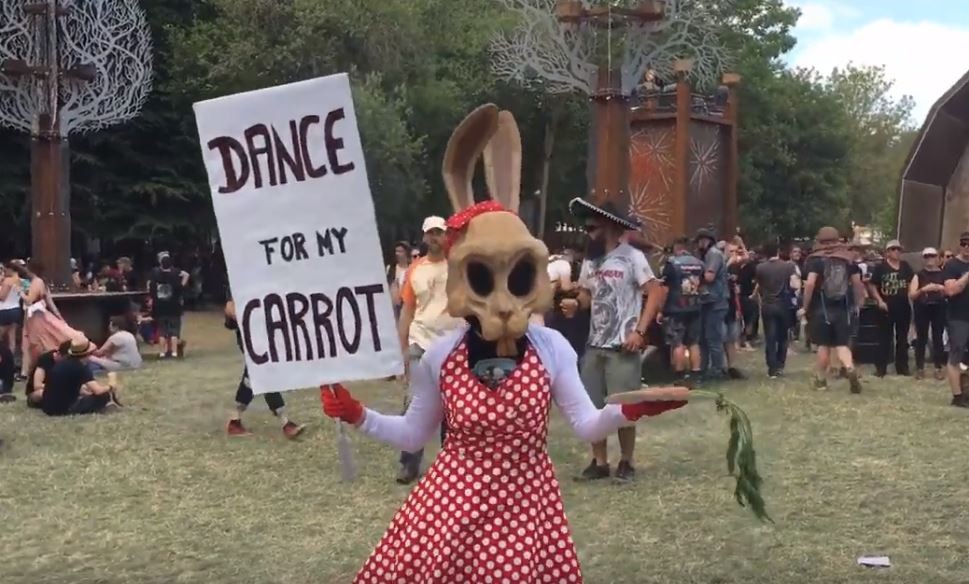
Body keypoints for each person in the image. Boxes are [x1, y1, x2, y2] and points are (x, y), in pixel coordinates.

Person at [320, 109, 685, 582]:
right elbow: (414, 434)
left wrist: (632, 410)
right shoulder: (441, 356)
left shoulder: (551, 347)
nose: (505, 301)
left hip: (526, 508)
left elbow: (585, 422)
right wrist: (358, 415)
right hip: (451, 508)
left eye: (518, 276)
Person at [567, 197, 660, 482]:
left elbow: (655, 292)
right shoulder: (590, 261)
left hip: (623, 346)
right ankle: (599, 462)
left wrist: (640, 331)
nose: (587, 229)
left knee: (624, 407)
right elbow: (586, 295)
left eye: (592, 224)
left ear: (609, 226)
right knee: (593, 408)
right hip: (594, 345)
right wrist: (575, 304)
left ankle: (627, 461)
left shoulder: (632, 257)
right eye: (586, 225)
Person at [394, 215, 465, 484]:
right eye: (430, 233)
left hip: (454, 345)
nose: (434, 237)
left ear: (447, 235)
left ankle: (453, 465)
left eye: (439, 232)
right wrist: (402, 349)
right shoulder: (415, 270)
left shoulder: (459, 266)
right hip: (420, 344)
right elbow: (407, 311)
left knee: (454, 409)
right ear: (424, 237)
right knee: (414, 406)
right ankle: (408, 463)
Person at [224, 298, 305, 438]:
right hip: (251, 337)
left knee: (255, 377)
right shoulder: (242, 281)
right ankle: (285, 423)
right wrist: (247, 319)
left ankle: (235, 420)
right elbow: (230, 308)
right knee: (264, 373)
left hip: (264, 335)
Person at [801, 227, 863, 393]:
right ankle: (849, 367)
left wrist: (804, 306)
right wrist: (859, 302)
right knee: (842, 344)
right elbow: (857, 283)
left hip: (821, 309)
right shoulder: (848, 259)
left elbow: (810, 284)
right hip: (843, 308)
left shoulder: (815, 260)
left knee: (824, 346)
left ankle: (821, 381)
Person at [21, 258, 81, 380]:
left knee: (36, 343)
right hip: (38, 316)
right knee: (37, 342)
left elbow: (29, 300)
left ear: (31, 269)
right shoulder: (41, 282)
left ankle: (34, 370)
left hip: (36, 318)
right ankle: (29, 371)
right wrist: (59, 317)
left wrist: (20, 292)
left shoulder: (36, 282)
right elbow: (50, 302)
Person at [656, 236, 704, 385]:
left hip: (675, 308)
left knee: (678, 343)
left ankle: (679, 374)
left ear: (677, 247)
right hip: (695, 306)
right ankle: (696, 373)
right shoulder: (699, 263)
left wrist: (660, 310)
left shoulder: (672, 264)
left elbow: (664, 288)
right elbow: (702, 285)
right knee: (694, 342)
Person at [40, 336, 122, 416]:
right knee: (104, 396)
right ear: (87, 354)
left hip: (48, 408)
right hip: (65, 409)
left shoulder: (62, 363)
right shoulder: (81, 367)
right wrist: (111, 386)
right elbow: (98, 391)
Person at [868, 240, 914, 377]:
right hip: (886, 306)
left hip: (903, 306)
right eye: (893, 249)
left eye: (899, 249)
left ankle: (902, 367)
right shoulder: (880, 267)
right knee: (884, 338)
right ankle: (881, 368)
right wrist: (879, 300)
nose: (897, 252)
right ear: (887, 252)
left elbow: (912, 280)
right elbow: (872, 285)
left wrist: (911, 294)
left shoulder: (905, 266)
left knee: (902, 338)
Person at [755, 243, 797, 378]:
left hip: (767, 305)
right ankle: (780, 364)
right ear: (778, 251)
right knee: (783, 337)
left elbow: (760, 287)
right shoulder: (788, 266)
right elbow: (794, 285)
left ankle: (771, 367)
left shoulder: (760, 268)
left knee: (770, 338)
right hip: (783, 305)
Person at [695, 229, 728, 381]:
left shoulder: (713, 254)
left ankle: (717, 370)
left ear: (709, 240)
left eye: (702, 240)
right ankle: (704, 368)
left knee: (713, 337)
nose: (700, 243)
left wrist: (694, 270)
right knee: (703, 337)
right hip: (707, 301)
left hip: (716, 301)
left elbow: (709, 277)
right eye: (699, 240)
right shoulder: (707, 255)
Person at [910, 247, 947, 381]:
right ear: (923, 259)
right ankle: (920, 368)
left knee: (938, 338)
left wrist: (941, 288)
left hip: (939, 308)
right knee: (921, 338)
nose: (929, 259)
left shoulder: (944, 274)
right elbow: (912, 294)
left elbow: (950, 291)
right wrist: (923, 289)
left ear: (938, 258)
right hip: (922, 308)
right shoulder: (918, 275)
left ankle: (938, 368)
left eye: (932, 256)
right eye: (926, 256)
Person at [942, 232, 969, 408]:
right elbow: (951, 291)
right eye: (964, 243)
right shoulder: (952, 265)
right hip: (958, 317)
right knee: (955, 355)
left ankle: (966, 390)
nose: (967, 247)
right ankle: (957, 396)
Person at [148, 251, 189, 359]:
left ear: (160, 263)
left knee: (162, 331)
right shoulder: (176, 273)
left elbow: (150, 287)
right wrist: (183, 284)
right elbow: (186, 275)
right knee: (174, 330)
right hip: (174, 306)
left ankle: (162, 352)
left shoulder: (155, 273)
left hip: (160, 307)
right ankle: (174, 352)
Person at [25, 340, 70, 408]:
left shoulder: (70, 364)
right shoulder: (45, 359)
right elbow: (37, 385)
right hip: (42, 390)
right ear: (59, 354)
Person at [387, 241, 411, 321]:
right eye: (396, 251)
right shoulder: (391, 269)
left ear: (406, 253)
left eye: (400, 251)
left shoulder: (411, 268)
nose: (397, 254)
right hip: (395, 305)